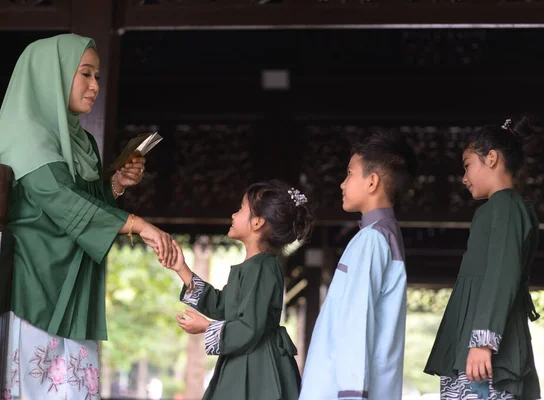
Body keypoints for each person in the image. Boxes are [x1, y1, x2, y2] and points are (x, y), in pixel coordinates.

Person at [0, 33, 175, 399]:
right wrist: (138, 225)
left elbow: (86, 198)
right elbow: (59, 199)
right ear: (51, 75)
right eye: (85, 74)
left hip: (74, 288)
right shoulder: (27, 135)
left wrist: (116, 183)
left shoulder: (81, 142)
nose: (95, 86)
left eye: (97, 76)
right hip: (36, 287)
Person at [164, 180, 315, 400]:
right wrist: (182, 268)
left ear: (257, 223)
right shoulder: (254, 266)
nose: (234, 215)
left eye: (240, 209)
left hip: (258, 366)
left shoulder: (263, 267)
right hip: (245, 358)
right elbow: (222, 306)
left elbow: (250, 328)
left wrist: (207, 327)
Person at [424, 116, 541, 400]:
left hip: (485, 352)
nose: (464, 178)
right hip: (473, 347)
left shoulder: (507, 206)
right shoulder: (494, 210)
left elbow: (503, 272)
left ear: (491, 158)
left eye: (467, 165)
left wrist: (483, 342)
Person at [299, 131, 418, 400]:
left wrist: (353, 394)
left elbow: (357, 320)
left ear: (372, 182)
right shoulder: (381, 235)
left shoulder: (372, 239)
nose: (342, 184)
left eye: (350, 173)